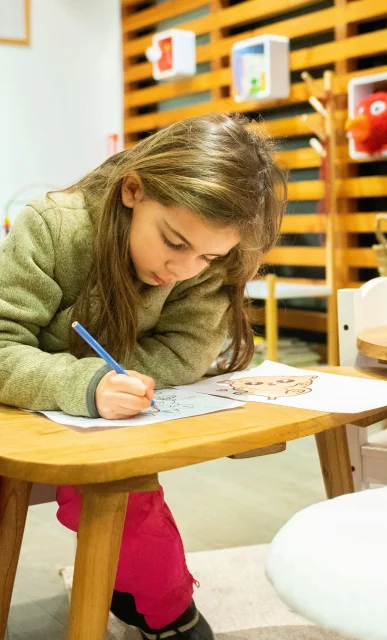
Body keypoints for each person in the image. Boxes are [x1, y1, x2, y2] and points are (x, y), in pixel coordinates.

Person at [0, 114, 287, 639]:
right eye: (173, 242)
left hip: (94, 429)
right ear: (133, 190)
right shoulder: (54, 226)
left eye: (208, 256)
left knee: (124, 487)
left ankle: (163, 611)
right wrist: (84, 385)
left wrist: (110, 387)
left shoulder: (208, 262)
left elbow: (183, 355)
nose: (184, 269)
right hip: (14, 412)